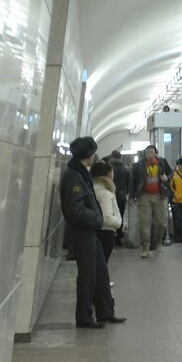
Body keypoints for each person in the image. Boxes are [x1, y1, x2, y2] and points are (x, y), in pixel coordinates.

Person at [60, 137, 124, 328]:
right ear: (88, 154)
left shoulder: (81, 173)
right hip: (83, 232)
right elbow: (74, 209)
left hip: (90, 232)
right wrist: (97, 219)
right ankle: (84, 317)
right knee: (87, 275)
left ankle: (105, 312)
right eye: (93, 152)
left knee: (100, 272)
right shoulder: (73, 176)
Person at [129, 145, 169, 259]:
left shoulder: (162, 162)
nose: (149, 155)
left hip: (159, 195)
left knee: (161, 222)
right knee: (145, 222)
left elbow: (170, 173)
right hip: (144, 195)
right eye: (147, 153)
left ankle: (158, 242)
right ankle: (146, 248)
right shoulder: (139, 165)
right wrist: (131, 195)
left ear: (155, 153)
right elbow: (133, 180)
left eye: (151, 152)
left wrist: (166, 178)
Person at [90, 160, 123, 265]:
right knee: (102, 264)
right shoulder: (105, 192)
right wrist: (118, 222)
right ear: (109, 174)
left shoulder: (91, 188)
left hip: (93, 231)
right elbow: (107, 217)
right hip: (105, 232)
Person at [109, 152, 130, 245]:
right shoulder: (125, 168)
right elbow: (129, 182)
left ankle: (111, 234)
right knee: (120, 214)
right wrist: (128, 193)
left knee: (110, 214)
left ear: (112, 156)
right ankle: (119, 235)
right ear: (120, 157)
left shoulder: (108, 167)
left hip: (110, 193)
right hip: (122, 195)